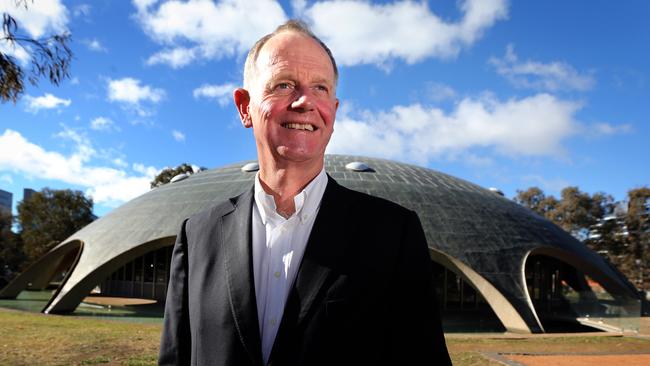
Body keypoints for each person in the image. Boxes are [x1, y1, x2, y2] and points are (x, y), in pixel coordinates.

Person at [158, 20, 451, 366]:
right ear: (244, 107)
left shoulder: (393, 234)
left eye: (320, 89)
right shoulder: (197, 235)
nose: (304, 102)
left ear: (334, 112)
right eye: (283, 85)